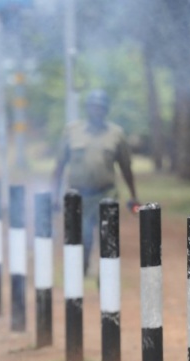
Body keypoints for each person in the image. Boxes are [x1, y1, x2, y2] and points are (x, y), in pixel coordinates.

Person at [52, 89, 139, 275]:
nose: (96, 111)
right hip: (78, 196)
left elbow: (126, 168)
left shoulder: (116, 134)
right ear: (87, 108)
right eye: (93, 107)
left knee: (108, 236)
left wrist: (133, 195)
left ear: (106, 109)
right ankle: (80, 272)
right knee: (81, 238)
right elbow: (59, 166)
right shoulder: (72, 131)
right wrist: (55, 196)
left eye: (100, 107)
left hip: (106, 194)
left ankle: (106, 275)